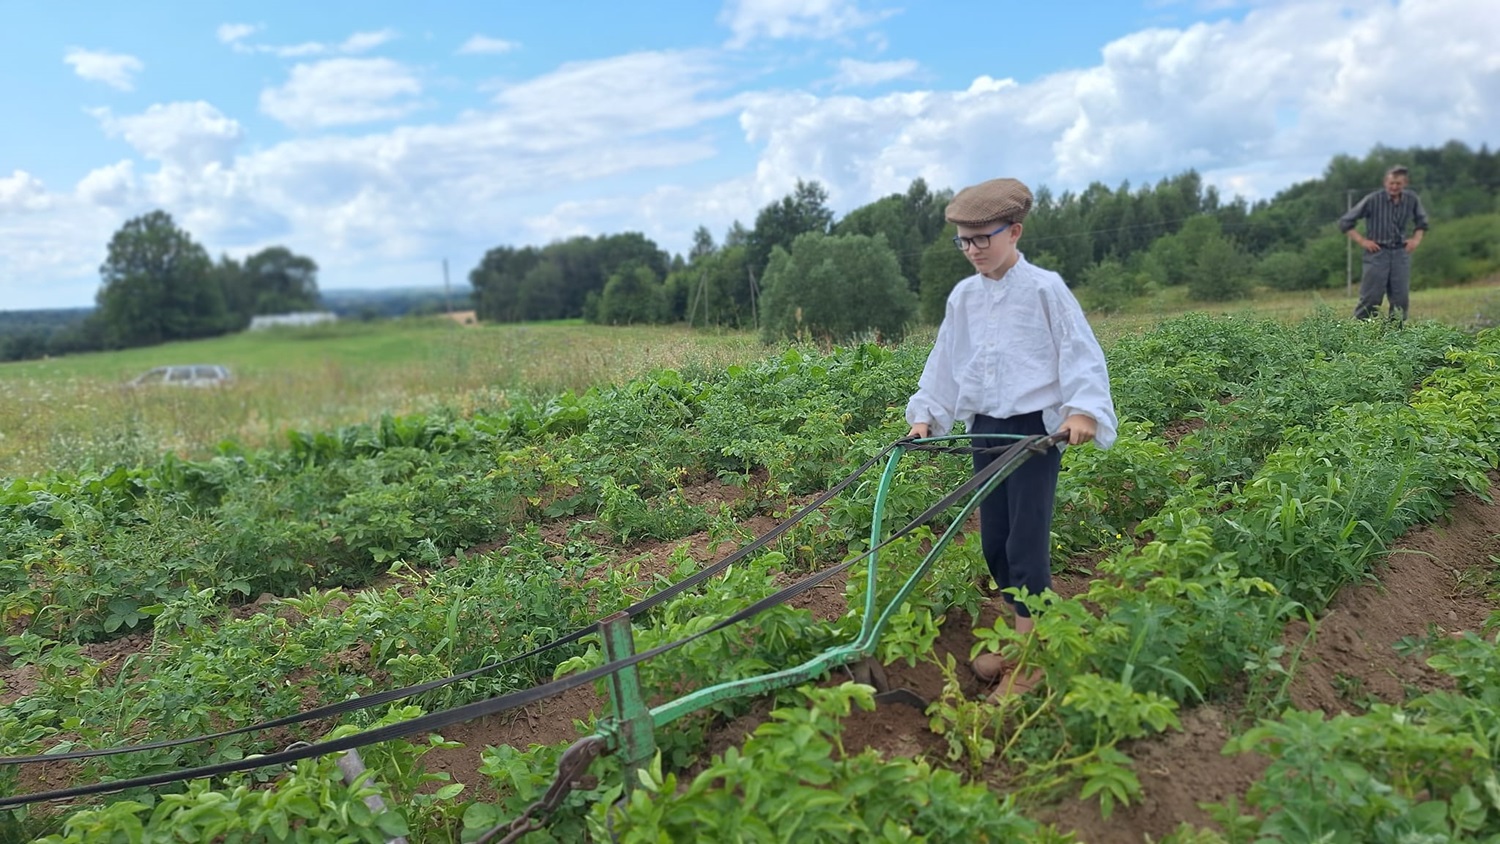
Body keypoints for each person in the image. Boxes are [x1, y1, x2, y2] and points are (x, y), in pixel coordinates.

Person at [904, 177, 1117, 703]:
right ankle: (1018, 638)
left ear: (1014, 232)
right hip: (986, 431)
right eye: (963, 241)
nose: (972, 250)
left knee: (1026, 543)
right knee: (995, 541)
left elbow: (1080, 352)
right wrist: (926, 415)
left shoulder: (1045, 289)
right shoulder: (964, 298)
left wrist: (1084, 410)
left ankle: (1032, 662)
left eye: (983, 238)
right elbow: (946, 361)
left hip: (1033, 434)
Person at [1338, 165, 1429, 322]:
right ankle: (1357, 333)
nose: (1394, 187)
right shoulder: (1373, 199)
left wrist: (1416, 240)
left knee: (1400, 299)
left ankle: (1395, 337)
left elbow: (1422, 222)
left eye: (1398, 184)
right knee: (1371, 298)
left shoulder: (1411, 199)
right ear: (1385, 183)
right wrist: (1362, 241)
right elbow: (1345, 222)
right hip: (1377, 253)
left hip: (1400, 253)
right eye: (1391, 183)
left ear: (1405, 183)